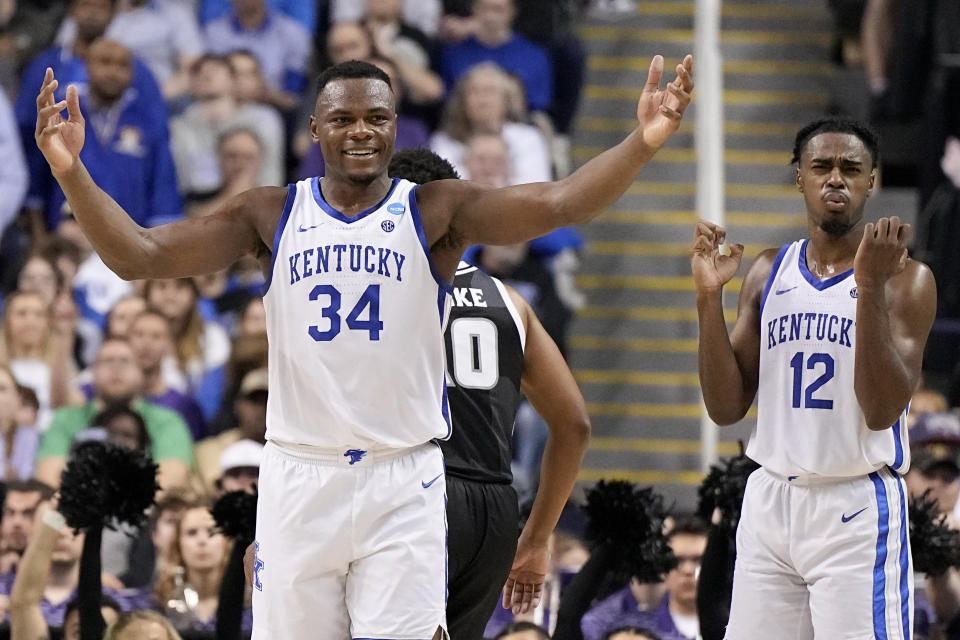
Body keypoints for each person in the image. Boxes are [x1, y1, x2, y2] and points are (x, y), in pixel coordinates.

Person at [35, 53, 693, 639]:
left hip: (402, 477)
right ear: (315, 129)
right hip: (300, 470)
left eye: (376, 118)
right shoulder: (269, 211)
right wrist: (70, 170)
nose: (361, 131)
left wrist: (643, 140)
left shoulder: (437, 209)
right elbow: (140, 255)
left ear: (395, 126)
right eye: (343, 118)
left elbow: (557, 204)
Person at [690, 117, 937, 637]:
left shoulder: (907, 280)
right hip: (770, 499)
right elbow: (726, 407)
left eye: (851, 168)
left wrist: (868, 287)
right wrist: (707, 300)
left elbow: (882, 409)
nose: (835, 179)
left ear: (872, 180)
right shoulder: (765, 271)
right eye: (821, 166)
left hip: (855, 504)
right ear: (799, 177)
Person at [387, 148, 590, 640]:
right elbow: (575, 426)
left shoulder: (378, 290)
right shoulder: (510, 300)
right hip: (493, 510)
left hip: (413, 492)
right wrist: (538, 537)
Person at [581, 516, 708, 640]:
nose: (688, 570)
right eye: (676, 560)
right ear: (662, 567)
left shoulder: (726, 625)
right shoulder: (632, 629)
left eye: (700, 560)